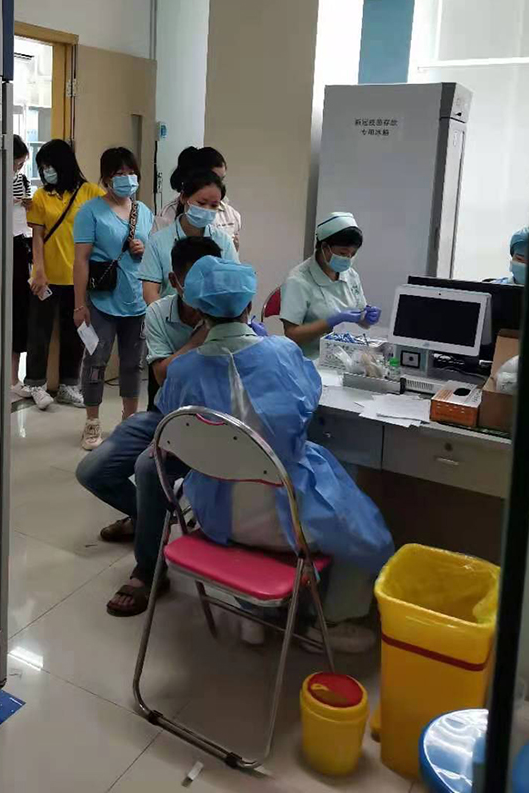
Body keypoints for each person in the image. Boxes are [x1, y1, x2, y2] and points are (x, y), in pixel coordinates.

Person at [156, 255, 394, 652]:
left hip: (214, 516)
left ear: (197, 310)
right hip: (292, 526)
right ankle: (330, 622)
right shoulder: (282, 352)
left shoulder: (182, 371)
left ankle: (253, 612)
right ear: (250, 305)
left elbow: (172, 427)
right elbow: (310, 396)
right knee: (367, 529)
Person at [75, 236, 223, 610]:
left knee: (147, 467)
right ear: (175, 281)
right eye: (195, 279)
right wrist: (199, 340)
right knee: (92, 471)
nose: (205, 289)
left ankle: (149, 568)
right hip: (164, 411)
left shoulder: (229, 310)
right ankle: (147, 518)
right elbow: (160, 373)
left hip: (211, 420)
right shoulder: (158, 313)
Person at [73, 148, 154, 451]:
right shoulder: (90, 211)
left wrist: (143, 250)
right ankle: (92, 422)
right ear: (106, 178)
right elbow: (81, 260)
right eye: (119, 173)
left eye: (131, 172)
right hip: (102, 300)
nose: (126, 178)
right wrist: (79, 304)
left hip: (137, 299)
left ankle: (129, 421)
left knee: (133, 364)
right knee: (96, 361)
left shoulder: (143, 211)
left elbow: (153, 256)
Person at [25, 139, 103, 410]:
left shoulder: (90, 192)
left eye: (50, 166)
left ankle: (69, 385)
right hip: (46, 277)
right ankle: (36, 384)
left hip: (78, 278)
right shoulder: (40, 196)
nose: (47, 171)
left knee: (75, 332)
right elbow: (37, 237)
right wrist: (39, 271)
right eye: (43, 167)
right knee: (39, 331)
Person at [280, 211, 381, 359]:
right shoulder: (298, 280)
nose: (348, 259)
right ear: (324, 247)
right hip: (310, 359)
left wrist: (368, 318)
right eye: (343, 253)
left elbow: (362, 321)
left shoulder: (351, 275)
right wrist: (330, 322)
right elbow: (291, 334)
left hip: (346, 357)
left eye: (353, 254)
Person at [139, 167, 238, 306]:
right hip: (169, 317)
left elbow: (233, 286)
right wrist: (163, 316)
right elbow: (150, 292)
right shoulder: (158, 242)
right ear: (184, 197)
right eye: (201, 203)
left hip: (213, 317)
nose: (207, 209)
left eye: (214, 205)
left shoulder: (223, 241)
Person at [154, 145, 242, 248]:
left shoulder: (231, 215)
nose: (217, 185)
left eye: (220, 180)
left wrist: (232, 249)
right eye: (201, 203)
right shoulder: (166, 217)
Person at [11, 135, 34, 398]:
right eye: (16, 162)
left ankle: (13, 377)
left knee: (19, 310)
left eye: (21, 164)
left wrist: (27, 204)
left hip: (21, 242)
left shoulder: (23, 180)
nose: (18, 168)